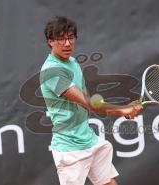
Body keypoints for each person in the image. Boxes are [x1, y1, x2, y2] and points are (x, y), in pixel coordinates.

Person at [40, 16, 143, 185]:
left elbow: (90, 101)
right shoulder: (51, 71)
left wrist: (122, 108)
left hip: (89, 139)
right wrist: (122, 110)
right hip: (69, 150)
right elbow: (88, 103)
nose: (67, 43)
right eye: (61, 39)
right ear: (50, 41)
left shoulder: (72, 62)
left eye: (71, 37)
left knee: (109, 182)